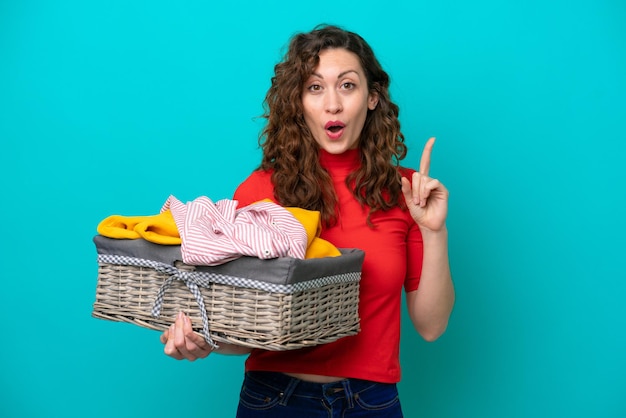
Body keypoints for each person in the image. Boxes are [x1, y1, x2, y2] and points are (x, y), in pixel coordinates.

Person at [160, 24, 455, 417]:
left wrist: (434, 231)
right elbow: (243, 328)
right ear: (298, 102)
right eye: (315, 88)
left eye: (347, 86)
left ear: (372, 98)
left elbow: (431, 327)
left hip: (372, 402)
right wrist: (204, 340)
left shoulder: (406, 192)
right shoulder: (261, 191)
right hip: (275, 399)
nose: (332, 103)